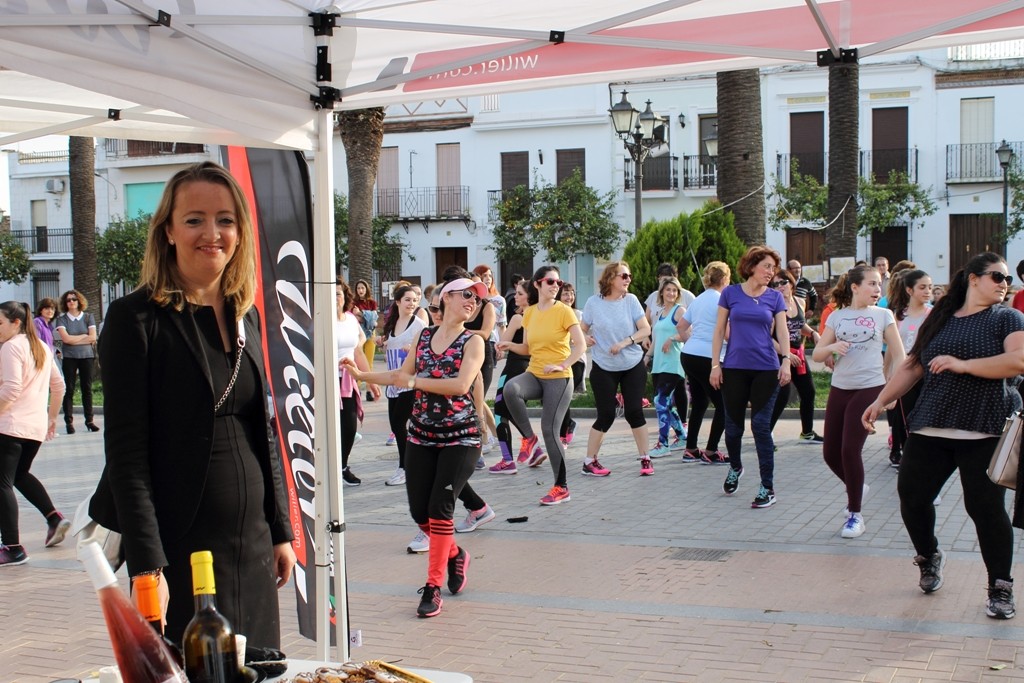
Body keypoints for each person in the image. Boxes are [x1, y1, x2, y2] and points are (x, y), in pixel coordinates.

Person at [88, 161, 296, 646]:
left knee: (259, 667)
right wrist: (145, 565)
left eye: (225, 219)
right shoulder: (134, 318)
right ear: (168, 231)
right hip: (180, 546)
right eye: (195, 219)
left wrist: (280, 529)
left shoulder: (246, 314)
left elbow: (261, 429)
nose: (212, 232)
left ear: (240, 232)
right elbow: (126, 452)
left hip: (253, 542)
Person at [862, 252, 1024, 620]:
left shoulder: (1008, 318)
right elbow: (914, 364)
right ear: (973, 279)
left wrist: (963, 364)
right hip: (932, 424)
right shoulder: (941, 317)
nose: (1004, 284)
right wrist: (881, 401)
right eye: (997, 277)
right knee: (912, 498)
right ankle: (929, 554)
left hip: (984, 428)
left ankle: (1000, 586)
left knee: (984, 509)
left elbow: (1018, 361)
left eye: (1006, 278)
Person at [344, 277, 488, 618]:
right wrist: (361, 376)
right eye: (467, 294)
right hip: (421, 436)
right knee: (418, 512)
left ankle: (433, 586)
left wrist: (413, 382)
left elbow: (460, 385)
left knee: (440, 508)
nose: (473, 301)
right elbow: (398, 376)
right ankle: (454, 554)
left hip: (461, 438)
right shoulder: (424, 337)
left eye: (478, 299)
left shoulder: (474, 342)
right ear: (445, 298)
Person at [812, 265, 904, 539]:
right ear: (854, 287)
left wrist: (891, 391)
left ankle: (855, 514)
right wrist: (831, 348)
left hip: (869, 387)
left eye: (879, 284)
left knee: (850, 451)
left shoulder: (883, 315)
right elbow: (817, 354)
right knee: (830, 454)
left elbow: (899, 355)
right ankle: (856, 485)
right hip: (840, 387)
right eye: (872, 284)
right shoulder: (837, 317)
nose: (878, 289)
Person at [711, 246, 791, 509]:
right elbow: (719, 329)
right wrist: (715, 365)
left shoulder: (775, 298)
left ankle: (767, 487)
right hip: (733, 368)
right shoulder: (731, 294)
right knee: (733, 428)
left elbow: (782, 332)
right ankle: (735, 466)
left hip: (766, 369)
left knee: (759, 425)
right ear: (752, 266)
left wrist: (786, 361)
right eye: (767, 266)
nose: (771, 272)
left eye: (773, 268)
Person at [499, 266, 587, 503]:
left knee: (550, 430)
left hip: (559, 378)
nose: (556, 286)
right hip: (536, 373)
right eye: (550, 282)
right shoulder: (530, 313)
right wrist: (510, 347)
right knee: (510, 389)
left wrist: (563, 364)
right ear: (537, 284)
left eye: (558, 282)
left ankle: (561, 487)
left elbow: (580, 346)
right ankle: (529, 438)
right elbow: (527, 348)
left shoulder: (564, 311)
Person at [0, 301, 67, 567]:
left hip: (10, 426)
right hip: (34, 428)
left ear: (16, 323)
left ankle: (13, 547)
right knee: (18, 475)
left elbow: (11, 389)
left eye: (0, 324)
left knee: (2, 484)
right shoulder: (40, 346)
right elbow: (58, 386)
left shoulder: (11, 347)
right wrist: (50, 418)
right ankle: (54, 518)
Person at [580, 261, 653, 477]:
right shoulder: (594, 303)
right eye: (624, 276)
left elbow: (645, 328)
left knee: (634, 412)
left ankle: (645, 458)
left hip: (632, 364)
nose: (628, 279)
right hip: (604, 366)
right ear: (611, 278)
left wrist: (625, 342)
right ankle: (589, 461)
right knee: (606, 415)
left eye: (629, 276)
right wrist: (585, 338)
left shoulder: (630, 301)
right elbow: (581, 329)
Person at [677, 261, 730, 465]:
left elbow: (681, 325)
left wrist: (692, 341)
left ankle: (690, 449)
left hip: (689, 354)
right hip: (709, 357)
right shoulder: (722, 300)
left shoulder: (698, 299)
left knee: (699, 402)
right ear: (725, 279)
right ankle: (711, 451)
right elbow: (727, 334)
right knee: (723, 406)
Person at [769, 268, 824, 443]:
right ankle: (765, 434)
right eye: (775, 284)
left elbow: (800, 325)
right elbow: (766, 338)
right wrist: (785, 355)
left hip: (797, 354)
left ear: (791, 283)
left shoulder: (799, 301)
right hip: (778, 355)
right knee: (782, 396)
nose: (780, 287)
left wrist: (813, 333)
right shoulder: (772, 305)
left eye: (783, 282)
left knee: (809, 392)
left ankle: (807, 432)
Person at [886, 269, 933, 468]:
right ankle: (905, 455)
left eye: (930, 287)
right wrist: (887, 372)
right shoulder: (899, 314)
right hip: (903, 373)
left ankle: (924, 457)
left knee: (925, 417)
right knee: (904, 416)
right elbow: (891, 346)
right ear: (909, 290)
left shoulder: (933, 314)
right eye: (922, 287)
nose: (927, 291)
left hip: (927, 374)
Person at [488, 280, 536, 474]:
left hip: (514, 366)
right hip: (529, 367)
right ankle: (533, 445)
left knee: (499, 412)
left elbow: (503, 341)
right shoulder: (540, 316)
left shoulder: (519, 318)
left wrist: (499, 344)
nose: (515, 297)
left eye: (519, 294)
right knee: (511, 410)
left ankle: (510, 458)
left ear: (529, 297)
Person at [380, 284, 426, 487]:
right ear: (397, 302)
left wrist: (413, 351)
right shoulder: (392, 322)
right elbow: (389, 346)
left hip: (409, 382)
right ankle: (409, 465)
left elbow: (426, 352)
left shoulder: (419, 325)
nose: (412, 303)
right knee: (395, 425)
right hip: (392, 383)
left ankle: (405, 467)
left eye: (415, 300)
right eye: (407, 299)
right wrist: (382, 343)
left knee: (400, 424)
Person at [336, 280, 380, 486]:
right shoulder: (317, 320)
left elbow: (357, 351)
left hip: (347, 379)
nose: (335, 298)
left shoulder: (351, 320)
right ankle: (328, 469)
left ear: (345, 297)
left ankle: (342, 466)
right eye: (330, 294)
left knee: (349, 426)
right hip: (324, 381)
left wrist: (370, 380)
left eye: (338, 294)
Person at [647, 277, 687, 458]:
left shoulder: (680, 311)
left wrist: (672, 339)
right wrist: (647, 358)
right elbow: (655, 340)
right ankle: (682, 437)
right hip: (658, 364)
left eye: (675, 290)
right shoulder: (659, 313)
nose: (671, 293)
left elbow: (688, 335)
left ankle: (663, 444)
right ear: (661, 292)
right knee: (667, 405)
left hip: (673, 363)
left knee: (659, 401)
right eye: (668, 290)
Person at [54, 288, 97, 434]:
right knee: (69, 389)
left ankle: (89, 421)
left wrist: (75, 339)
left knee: (87, 389)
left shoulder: (88, 317)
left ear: (79, 301)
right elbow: (65, 339)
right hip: (70, 357)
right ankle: (69, 422)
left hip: (87, 356)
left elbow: (93, 337)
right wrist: (83, 336)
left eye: (74, 299)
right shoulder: (62, 319)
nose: (71, 302)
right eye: (68, 300)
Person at [557, 282, 585, 445]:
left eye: (571, 293)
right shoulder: (555, 314)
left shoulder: (578, 314)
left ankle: (564, 433)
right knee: (560, 398)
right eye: (566, 294)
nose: (569, 297)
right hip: (559, 360)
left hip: (576, 360)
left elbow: (582, 336)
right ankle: (568, 425)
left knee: (563, 398)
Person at [351, 279, 379, 401]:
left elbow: (374, 319)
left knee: (369, 363)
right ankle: (356, 389)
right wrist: (368, 316)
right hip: (358, 334)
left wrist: (361, 313)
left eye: (362, 288)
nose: (360, 290)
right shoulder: (353, 302)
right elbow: (356, 317)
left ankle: (369, 390)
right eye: (358, 288)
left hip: (371, 334)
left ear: (366, 289)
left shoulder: (372, 302)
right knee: (357, 363)